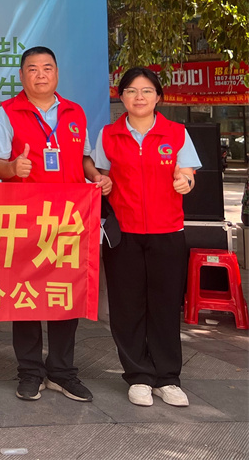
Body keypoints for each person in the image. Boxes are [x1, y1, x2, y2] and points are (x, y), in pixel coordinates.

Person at [0, 46, 111, 403]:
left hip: (69, 219)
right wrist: (13, 168)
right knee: (25, 296)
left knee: (64, 293)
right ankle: (30, 371)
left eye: (47, 68)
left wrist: (96, 176)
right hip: (26, 219)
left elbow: (84, 157)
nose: (40, 74)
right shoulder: (6, 112)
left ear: (57, 73)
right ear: (21, 76)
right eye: (32, 69)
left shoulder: (75, 112)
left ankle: (61, 371)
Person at [93, 67, 200, 407]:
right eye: (131, 91)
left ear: (158, 97)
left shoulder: (176, 133)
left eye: (146, 91)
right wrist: (102, 181)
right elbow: (100, 173)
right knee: (127, 307)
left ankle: (168, 377)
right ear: (121, 97)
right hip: (123, 234)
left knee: (165, 306)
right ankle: (138, 374)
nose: (139, 97)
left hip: (167, 232)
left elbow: (187, 172)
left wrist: (185, 181)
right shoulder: (108, 135)